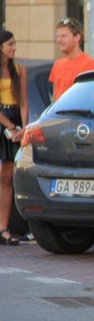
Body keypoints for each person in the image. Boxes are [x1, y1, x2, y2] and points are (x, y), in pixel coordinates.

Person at [0, 30, 27, 246]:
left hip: (15, 122)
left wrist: (24, 129)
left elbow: (24, 102)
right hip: (3, 121)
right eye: (10, 44)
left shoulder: (19, 70)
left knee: (7, 178)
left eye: (14, 43)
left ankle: (3, 228)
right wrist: (8, 125)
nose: (14, 47)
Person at [49, 17, 94, 102]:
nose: (58, 40)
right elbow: (55, 98)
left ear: (77, 37)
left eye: (63, 36)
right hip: (58, 114)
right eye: (58, 36)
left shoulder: (90, 65)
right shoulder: (57, 64)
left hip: (77, 114)